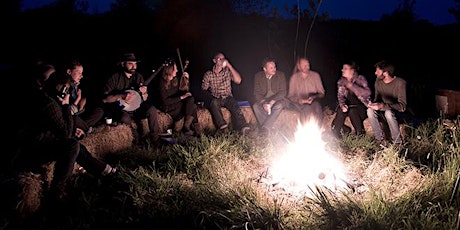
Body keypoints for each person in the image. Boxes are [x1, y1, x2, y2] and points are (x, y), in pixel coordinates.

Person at [12, 72, 116, 203]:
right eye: (67, 89)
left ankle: (103, 170)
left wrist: (73, 130)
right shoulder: (49, 104)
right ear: (62, 89)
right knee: (71, 145)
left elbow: (60, 127)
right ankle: (57, 191)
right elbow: (65, 133)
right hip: (30, 152)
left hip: (39, 143)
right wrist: (66, 105)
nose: (67, 93)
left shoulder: (48, 98)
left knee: (75, 145)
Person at [101, 52, 161, 146]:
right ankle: (136, 139)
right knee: (124, 118)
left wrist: (144, 93)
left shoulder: (139, 77)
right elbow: (105, 99)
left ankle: (155, 139)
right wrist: (121, 96)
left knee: (152, 110)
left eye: (135, 63)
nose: (134, 66)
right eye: (130, 63)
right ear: (123, 64)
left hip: (137, 108)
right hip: (122, 109)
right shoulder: (114, 78)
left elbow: (144, 98)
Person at [201, 52, 251, 135]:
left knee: (235, 105)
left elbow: (238, 81)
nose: (221, 61)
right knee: (214, 103)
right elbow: (203, 89)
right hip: (216, 97)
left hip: (228, 97)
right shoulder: (208, 74)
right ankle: (223, 127)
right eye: (219, 59)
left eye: (223, 59)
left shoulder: (227, 72)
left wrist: (229, 66)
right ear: (214, 60)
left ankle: (244, 127)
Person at [154, 59, 202, 136]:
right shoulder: (162, 83)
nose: (177, 70)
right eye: (175, 68)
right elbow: (165, 101)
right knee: (193, 106)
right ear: (170, 70)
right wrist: (182, 97)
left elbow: (184, 91)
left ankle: (186, 126)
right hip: (168, 107)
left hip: (177, 103)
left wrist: (186, 79)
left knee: (191, 99)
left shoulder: (175, 79)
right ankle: (194, 130)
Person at [367, 60, 407, 145]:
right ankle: (380, 140)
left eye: (377, 70)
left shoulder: (400, 83)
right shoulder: (378, 82)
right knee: (369, 111)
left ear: (385, 72)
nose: (375, 73)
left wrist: (382, 106)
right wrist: (372, 104)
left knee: (388, 113)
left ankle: (398, 143)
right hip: (384, 110)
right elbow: (377, 99)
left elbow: (402, 106)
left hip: (398, 113)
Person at [331, 60, 371, 137]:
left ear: (352, 70)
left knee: (353, 111)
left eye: (345, 68)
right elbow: (340, 97)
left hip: (361, 107)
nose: (342, 70)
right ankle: (336, 134)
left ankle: (360, 134)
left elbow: (367, 92)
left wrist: (352, 86)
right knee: (340, 110)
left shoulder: (360, 79)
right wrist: (343, 105)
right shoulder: (341, 82)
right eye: (343, 68)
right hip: (349, 107)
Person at [64, 59, 104, 135]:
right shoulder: (64, 86)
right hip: (70, 116)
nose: (81, 76)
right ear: (69, 72)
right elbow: (68, 112)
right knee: (75, 120)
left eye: (81, 73)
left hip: (78, 112)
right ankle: (84, 129)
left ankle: (82, 127)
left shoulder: (75, 85)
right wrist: (79, 100)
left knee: (99, 111)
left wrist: (81, 105)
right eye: (79, 73)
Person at [252, 57, 287, 135]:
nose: (274, 69)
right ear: (265, 69)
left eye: (274, 67)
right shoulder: (258, 76)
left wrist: (272, 102)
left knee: (278, 106)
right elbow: (257, 93)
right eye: (271, 68)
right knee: (255, 106)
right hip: (265, 99)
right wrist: (264, 102)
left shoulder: (280, 75)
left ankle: (265, 129)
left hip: (277, 100)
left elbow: (283, 92)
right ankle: (270, 128)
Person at [287, 56, 325, 124]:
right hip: (299, 103)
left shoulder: (315, 76)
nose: (307, 67)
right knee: (306, 109)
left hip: (313, 101)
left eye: (308, 65)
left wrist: (314, 97)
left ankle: (319, 129)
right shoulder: (294, 78)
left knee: (317, 108)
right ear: (299, 66)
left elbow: (322, 93)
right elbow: (290, 96)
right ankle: (305, 129)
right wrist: (300, 100)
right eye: (304, 65)